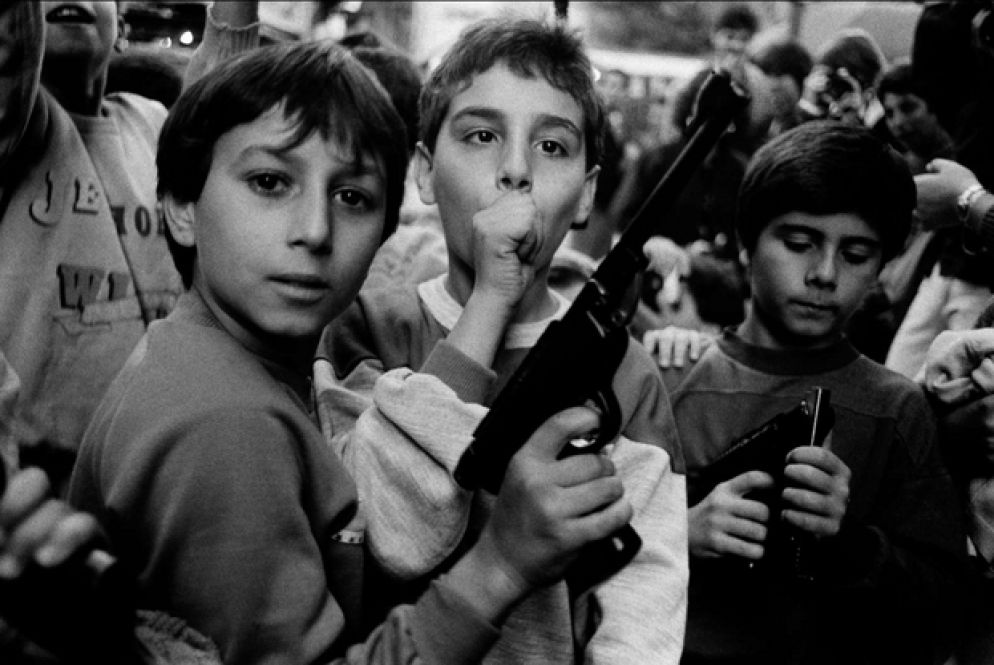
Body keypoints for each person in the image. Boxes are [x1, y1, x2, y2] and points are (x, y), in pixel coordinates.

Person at [68, 39, 635, 665]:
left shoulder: (229, 364)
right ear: (181, 208)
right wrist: (501, 566)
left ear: (387, 230)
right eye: (269, 182)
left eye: (352, 198)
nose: (314, 230)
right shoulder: (226, 422)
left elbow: (405, 475)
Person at [315, 17, 687, 664]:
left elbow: (642, 610)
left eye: (552, 147)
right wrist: (489, 302)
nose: (516, 169)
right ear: (425, 174)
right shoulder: (362, 329)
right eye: (483, 136)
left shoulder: (624, 371)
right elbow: (395, 530)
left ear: (585, 196)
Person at [662, 121, 968, 664]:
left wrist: (850, 545)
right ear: (744, 243)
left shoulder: (897, 411)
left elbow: (943, 612)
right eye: (799, 243)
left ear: (884, 264)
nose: (824, 274)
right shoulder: (668, 379)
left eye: (856, 254)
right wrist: (676, 533)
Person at [0, 2, 257, 491]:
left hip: (161, 467)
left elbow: (227, 99)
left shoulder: (152, 122)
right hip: (39, 482)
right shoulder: (16, 132)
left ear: (121, 28)